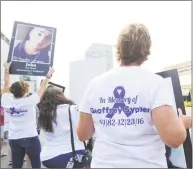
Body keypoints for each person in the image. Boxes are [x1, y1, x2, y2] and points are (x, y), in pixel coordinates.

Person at [77, 23, 192, 168]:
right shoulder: (155, 83)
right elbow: (174, 139)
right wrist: (181, 122)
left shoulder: (94, 84)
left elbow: (83, 134)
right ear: (146, 50)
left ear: (119, 49)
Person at [1, 62, 55, 168]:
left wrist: (7, 69)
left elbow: (6, 84)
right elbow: (43, 86)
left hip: (14, 138)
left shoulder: (5, 100)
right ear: (25, 91)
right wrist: (49, 74)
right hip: (30, 138)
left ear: (12, 91)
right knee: (36, 164)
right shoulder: (30, 100)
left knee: (16, 165)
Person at [37, 86, 85, 168]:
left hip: (48, 157)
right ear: (60, 96)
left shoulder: (43, 113)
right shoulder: (72, 109)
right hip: (71, 154)